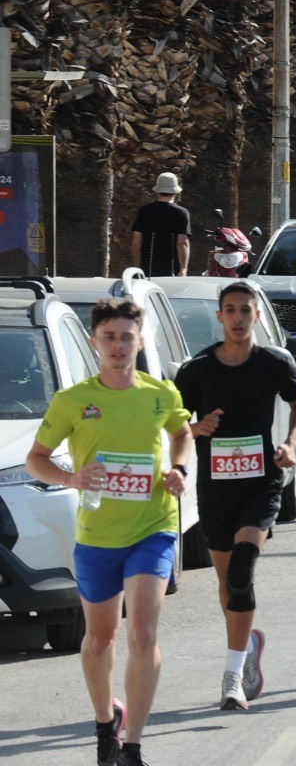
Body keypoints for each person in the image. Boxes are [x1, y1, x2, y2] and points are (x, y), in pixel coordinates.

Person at [25, 298, 194, 766]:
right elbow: (35, 459)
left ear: (140, 342)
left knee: (142, 633)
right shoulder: (72, 400)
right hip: (98, 535)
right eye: (109, 337)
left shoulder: (161, 393)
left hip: (153, 526)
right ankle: (105, 723)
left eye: (126, 337)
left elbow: (181, 434)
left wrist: (178, 468)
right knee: (100, 638)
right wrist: (72, 478)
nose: (118, 345)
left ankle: (134, 745)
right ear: (96, 343)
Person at [174, 283, 296, 711]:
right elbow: (172, 422)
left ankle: (232, 677)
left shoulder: (273, 362)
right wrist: (195, 430)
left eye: (245, 310)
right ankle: (246, 642)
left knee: (241, 571)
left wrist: (290, 442)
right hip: (215, 488)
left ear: (256, 316)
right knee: (225, 581)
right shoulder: (197, 371)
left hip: (261, 481)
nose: (237, 317)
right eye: (229, 310)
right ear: (220, 317)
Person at [130, 171, 190, 277]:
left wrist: (138, 269)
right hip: (172, 272)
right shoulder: (181, 213)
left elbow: (136, 244)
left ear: (157, 191)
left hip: (147, 272)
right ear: (176, 192)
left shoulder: (144, 211)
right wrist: (183, 269)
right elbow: (182, 243)